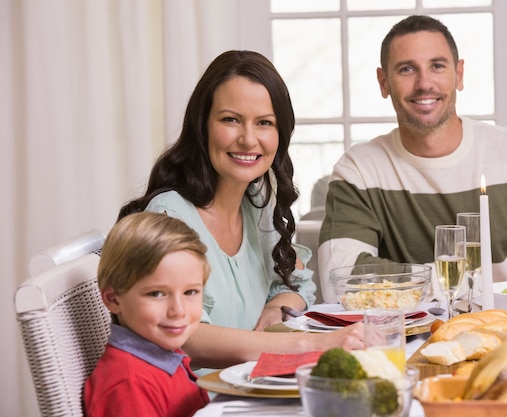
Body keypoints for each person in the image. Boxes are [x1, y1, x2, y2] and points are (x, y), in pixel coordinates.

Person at [117, 50, 364, 370]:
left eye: (264, 123)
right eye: (230, 120)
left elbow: (298, 282)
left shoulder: (257, 200)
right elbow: (187, 337)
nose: (249, 139)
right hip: (200, 400)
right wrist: (310, 344)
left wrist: (277, 306)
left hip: (249, 389)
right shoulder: (169, 218)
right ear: (202, 124)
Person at [318, 15, 507, 303]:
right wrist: (460, 283)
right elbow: (340, 280)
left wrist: (419, 283)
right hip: (410, 338)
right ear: (384, 83)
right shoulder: (358, 170)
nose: (424, 83)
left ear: (459, 74)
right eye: (407, 69)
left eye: (437, 66)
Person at [84, 212, 210, 416]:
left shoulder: (164, 351)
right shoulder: (129, 385)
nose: (178, 310)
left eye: (190, 292)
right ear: (113, 299)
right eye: (157, 294)